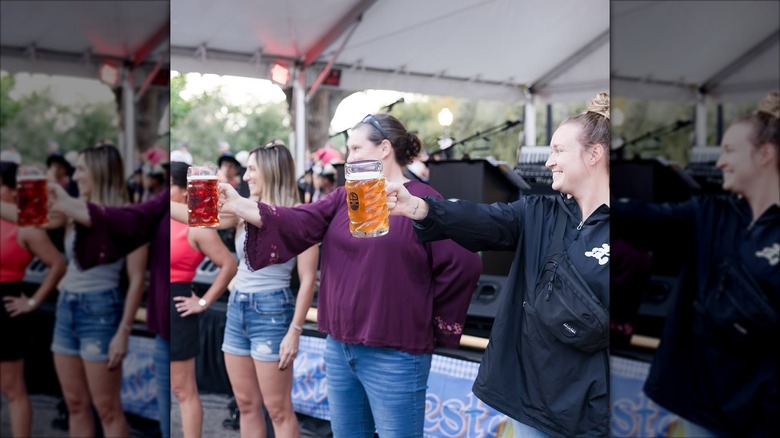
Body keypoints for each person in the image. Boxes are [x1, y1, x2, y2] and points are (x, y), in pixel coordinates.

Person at [218, 114, 483, 437]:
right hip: (340, 346)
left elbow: (463, 263)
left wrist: (422, 313)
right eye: (348, 149)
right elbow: (300, 220)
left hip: (395, 352)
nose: (349, 157)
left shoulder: (420, 199)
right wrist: (243, 206)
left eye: (356, 148)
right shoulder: (345, 196)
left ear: (384, 148)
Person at [386, 93, 611, 438]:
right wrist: (420, 208)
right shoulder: (539, 212)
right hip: (534, 401)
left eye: (559, 150)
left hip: (593, 405)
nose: (550, 161)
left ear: (594, 154)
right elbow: (484, 218)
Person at [613, 91, 780, 437]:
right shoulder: (711, 213)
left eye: (730, 150)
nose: (720, 162)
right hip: (705, 406)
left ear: (765, 154)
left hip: (763, 411)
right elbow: (646, 218)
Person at [172, 143, 318, 437]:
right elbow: (194, 215)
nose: (246, 176)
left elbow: (307, 280)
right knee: (246, 404)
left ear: (271, 171)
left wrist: (295, 330)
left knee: (277, 410)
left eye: (252, 169)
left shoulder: (300, 215)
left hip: (273, 312)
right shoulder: (242, 209)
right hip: (237, 307)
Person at [48, 178, 171, 437]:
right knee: (75, 403)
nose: (76, 176)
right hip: (66, 305)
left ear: (98, 172)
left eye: (82, 169)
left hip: (100, 311)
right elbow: (26, 219)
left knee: (106, 408)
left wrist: (124, 330)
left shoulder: (126, 215)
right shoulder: (74, 210)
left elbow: (137, 279)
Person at [168, 161, 237, 438]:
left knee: (183, 389)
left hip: (177, 302)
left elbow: (229, 264)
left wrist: (204, 302)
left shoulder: (196, 224)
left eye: (169, 185)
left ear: (185, 191)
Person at [1, 161, 67, 438]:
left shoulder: (27, 225)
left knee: (12, 388)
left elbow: (57, 264)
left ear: (11, 189)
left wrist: (32, 302)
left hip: (6, 307)